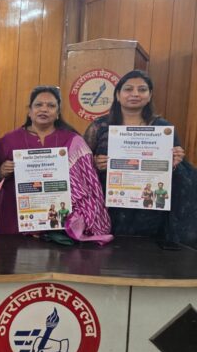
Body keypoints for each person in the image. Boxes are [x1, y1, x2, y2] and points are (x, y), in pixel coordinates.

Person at [83, 69, 194, 242]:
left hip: (149, 207)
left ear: (149, 96)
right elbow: (82, 166)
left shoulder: (163, 128)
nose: (135, 94)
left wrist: (175, 162)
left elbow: (177, 172)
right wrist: (95, 164)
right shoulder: (100, 125)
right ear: (118, 95)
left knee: (144, 250)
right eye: (128, 89)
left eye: (142, 89)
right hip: (108, 201)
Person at [0, 86, 111, 242]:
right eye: (38, 105)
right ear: (29, 111)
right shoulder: (9, 140)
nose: (44, 109)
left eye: (51, 106)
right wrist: (1, 171)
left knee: (55, 258)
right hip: (14, 218)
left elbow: (87, 180)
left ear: (57, 113)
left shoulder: (72, 140)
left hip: (60, 223)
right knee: (11, 255)